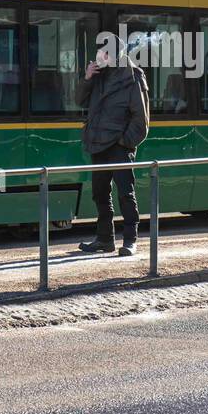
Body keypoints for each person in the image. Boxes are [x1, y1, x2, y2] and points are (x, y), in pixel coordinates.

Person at [75, 38, 150, 256]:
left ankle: (130, 240)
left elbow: (141, 120)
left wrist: (124, 142)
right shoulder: (99, 75)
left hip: (119, 145)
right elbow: (79, 101)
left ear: (116, 55)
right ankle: (105, 239)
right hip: (98, 143)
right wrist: (88, 78)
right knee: (100, 193)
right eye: (99, 53)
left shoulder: (133, 76)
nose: (100, 57)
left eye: (104, 54)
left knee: (125, 193)